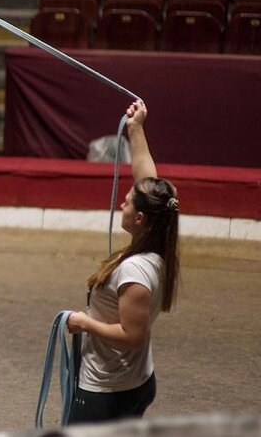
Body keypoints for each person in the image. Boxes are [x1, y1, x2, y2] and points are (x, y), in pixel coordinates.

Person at [66, 99, 181, 423]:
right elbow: (148, 180)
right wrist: (136, 129)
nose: (121, 203)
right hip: (136, 380)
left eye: (128, 203)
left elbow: (133, 336)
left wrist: (83, 323)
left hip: (107, 387)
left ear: (141, 218)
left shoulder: (133, 271)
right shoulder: (160, 243)